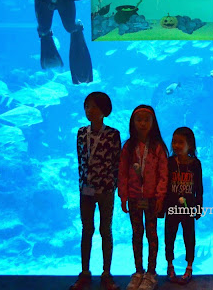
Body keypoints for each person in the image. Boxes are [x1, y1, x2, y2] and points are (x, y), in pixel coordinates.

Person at [70, 92, 122, 290]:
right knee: (87, 229)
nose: (89, 110)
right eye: (86, 106)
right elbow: (81, 160)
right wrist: (83, 183)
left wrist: (112, 185)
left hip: (106, 189)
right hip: (86, 190)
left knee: (105, 230)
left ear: (104, 110)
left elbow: (116, 162)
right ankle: (84, 272)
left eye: (93, 106)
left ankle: (107, 273)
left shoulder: (113, 134)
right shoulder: (81, 133)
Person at [118, 105, 169, 290]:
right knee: (137, 234)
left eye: (146, 120)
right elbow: (122, 173)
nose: (142, 123)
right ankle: (138, 271)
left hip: (152, 199)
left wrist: (160, 196)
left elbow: (163, 174)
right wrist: (123, 195)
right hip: (133, 198)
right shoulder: (128, 147)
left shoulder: (158, 147)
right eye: (138, 120)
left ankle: (151, 273)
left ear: (153, 122)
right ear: (132, 122)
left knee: (152, 234)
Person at [165, 127, 203, 285]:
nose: (176, 145)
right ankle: (170, 265)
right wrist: (162, 207)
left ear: (190, 145)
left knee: (189, 236)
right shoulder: (169, 162)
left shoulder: (195, 164)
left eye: (181, 142)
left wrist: (199, 207)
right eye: (174, 142)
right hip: (171, 207)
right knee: (169, 236)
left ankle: (189, 266)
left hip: (188, 209)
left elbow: (199, 188)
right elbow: (165, 186)